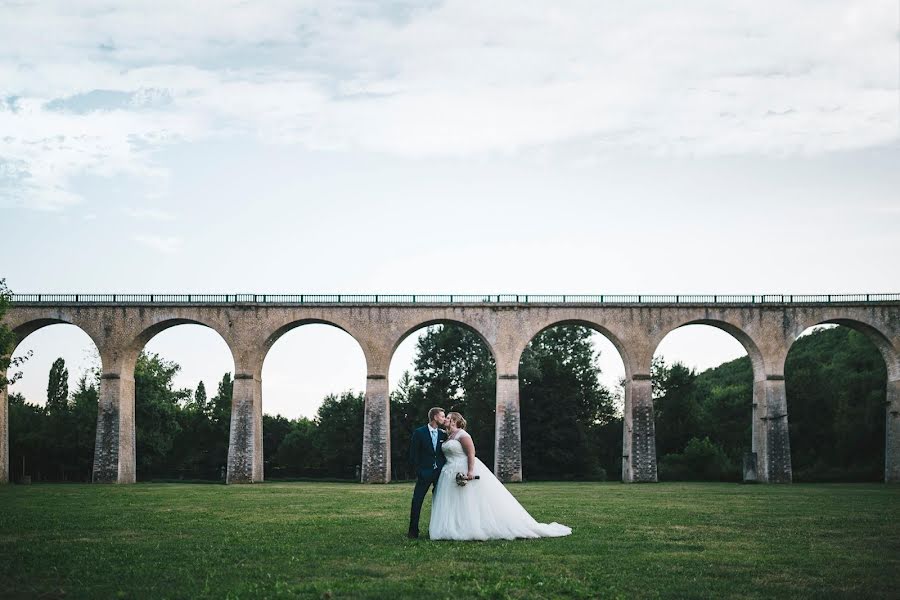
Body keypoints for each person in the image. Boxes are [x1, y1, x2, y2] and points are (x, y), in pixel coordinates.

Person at [429, 412, 572, 541]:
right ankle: (454, 526)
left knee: (468, 499)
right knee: (453, 501)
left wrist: (470, 471)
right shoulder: (448, 436)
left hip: (463, 467)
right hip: (448, 471)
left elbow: (471, 454)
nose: (446, 420)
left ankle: (470, 527)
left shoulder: (463, 435)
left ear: (454, 421)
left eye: (448, 418)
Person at [407, 407, 448, 539]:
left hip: (440, 474)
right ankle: (413, 531)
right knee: (417, 501)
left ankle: (439, 530)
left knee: (441, 502)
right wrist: (419, 471)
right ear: (435, 417)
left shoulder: (443, 434)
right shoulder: (419, 433)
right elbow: (413, 455)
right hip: (424, 473)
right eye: (442, 416)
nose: (444, 418)